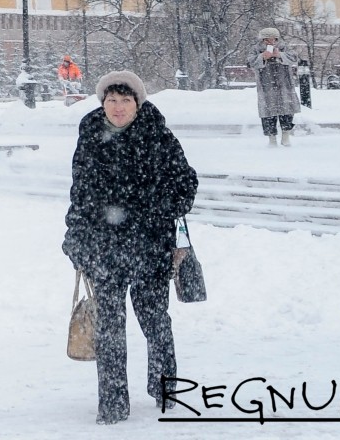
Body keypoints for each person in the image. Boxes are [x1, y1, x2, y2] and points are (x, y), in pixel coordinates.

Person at [63, 70, 198, 424]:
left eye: (125, 101)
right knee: (109, 326)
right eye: (111, 100)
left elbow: (185, 182)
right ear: (102, 103)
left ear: (137, 103)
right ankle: (112, 402)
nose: (118, 107)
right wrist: (76, 234)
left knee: (155, 322)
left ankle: (166, 387)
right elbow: (81, 191)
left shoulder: (158, 135)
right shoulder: (91, 135)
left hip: (149, 247)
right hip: (104, 249)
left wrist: (157, 212)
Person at [247, 27, 300, 146]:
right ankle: (272, 138)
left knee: (286, 110)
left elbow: (294, 58)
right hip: (266, 86)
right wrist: (262, 57)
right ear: (262, 40)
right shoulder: (255, 49)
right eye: (267, 40)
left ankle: (286, 135)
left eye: (273, 39)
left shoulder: (284, 47)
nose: (270, 42)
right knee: (268, 113)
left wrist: (280, 55)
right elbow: (250, 62)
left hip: (284, 85)